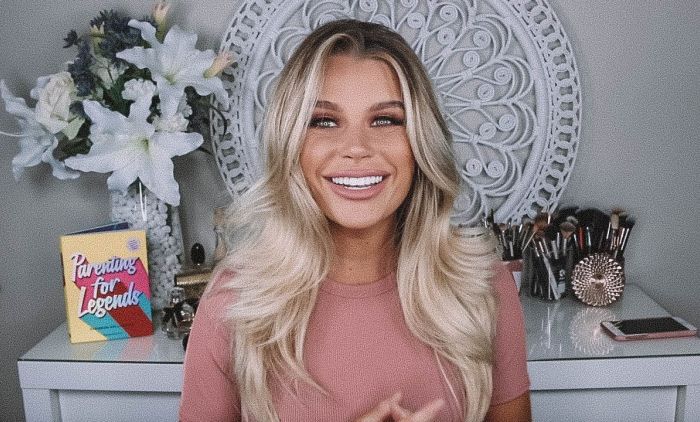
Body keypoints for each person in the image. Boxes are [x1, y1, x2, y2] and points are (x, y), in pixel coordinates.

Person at [179, 19, 530, 422]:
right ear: (291, 144)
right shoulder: (234, 302)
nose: (357, 148)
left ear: (420, 142)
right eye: (324, 121)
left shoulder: (482, 286)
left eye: (385, 120)